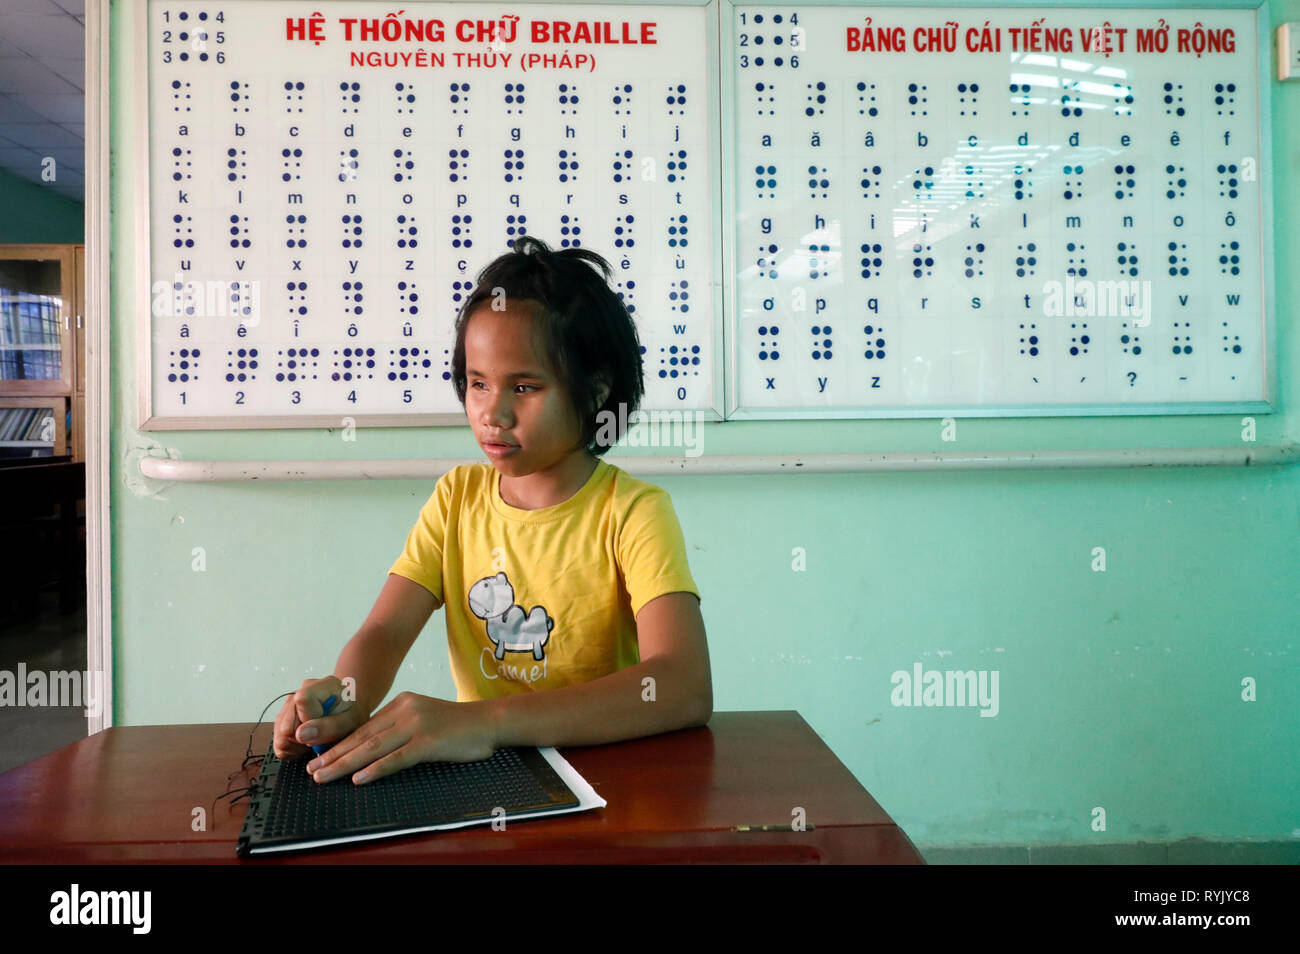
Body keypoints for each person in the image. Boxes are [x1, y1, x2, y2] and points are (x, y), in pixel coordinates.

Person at [273, 236, 711, 784]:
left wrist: (484, 721)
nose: (492, 413)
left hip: (610, 783)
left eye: (524, 387)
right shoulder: (456, 498)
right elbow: (384, 631)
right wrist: (348, 696)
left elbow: (682, 685)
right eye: (478, 384)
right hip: (486, 785)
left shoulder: (634, 512)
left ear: (597, 392)